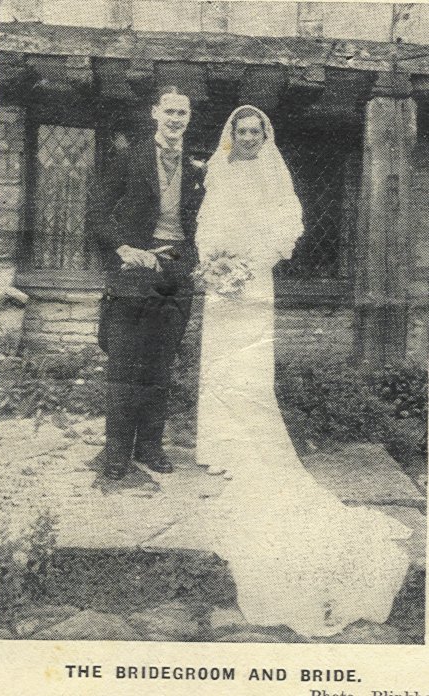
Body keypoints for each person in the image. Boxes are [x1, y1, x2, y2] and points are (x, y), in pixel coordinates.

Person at [153, 106, 412, 638]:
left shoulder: (274, 170)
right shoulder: (220, 170)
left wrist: (257, 258)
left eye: (255, 132)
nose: (247, 138)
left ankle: (248, 443)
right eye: (241, 131)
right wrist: (214, 262)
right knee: (219, 359)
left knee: (249, 358)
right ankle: (218, 445)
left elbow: (288, 222)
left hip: (254, 279)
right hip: (223, 281)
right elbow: (206, 222)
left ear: (264, 135)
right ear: (232, 134)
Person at [92, 86, 205, 479]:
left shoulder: (195, 171)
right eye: (169, 111)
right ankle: (117, 451)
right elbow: (98, 213)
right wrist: (123, 248)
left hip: (174, 274)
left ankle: (151, 446)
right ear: (155, 112)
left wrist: (175, 260)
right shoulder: (128, 158)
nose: (176, 119)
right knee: (124, 364)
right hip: (130, 273)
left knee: (160, 365)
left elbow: (194, 233)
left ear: (189, 118)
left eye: (183, 114)